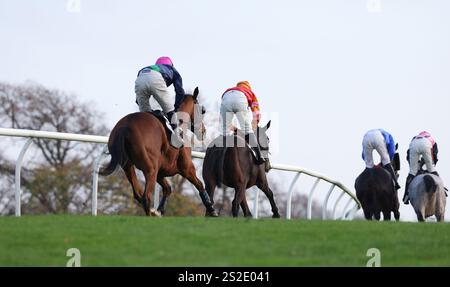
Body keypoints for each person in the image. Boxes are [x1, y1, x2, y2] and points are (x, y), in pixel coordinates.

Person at [220, 81, 265, 164]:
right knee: (247, 130)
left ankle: (220, 155)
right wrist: (256, 120)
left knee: (224, 130)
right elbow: (256, 109)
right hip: (240, 98)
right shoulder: (249, 92)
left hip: (226, 97)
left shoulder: (231, 89)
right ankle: (259, 156)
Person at [134, 56, 185, 123]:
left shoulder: (150, 67)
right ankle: (176, 132)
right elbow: (180, 92)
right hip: (156, 78)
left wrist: (140, 102)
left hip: (140, 77)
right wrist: (175, 108)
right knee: (170, 113)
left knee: (146, 115)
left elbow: (139, 94)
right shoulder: (172, 69)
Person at [403, 131, 439, 204]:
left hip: (414, 146)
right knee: (432, 170)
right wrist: (431, 167)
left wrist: (414, 168)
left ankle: (406, 196)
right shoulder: (432, 140)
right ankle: (442, 190)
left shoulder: (415, 138)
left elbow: (408, 156)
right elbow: (434, 157)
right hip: (426, 146)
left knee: (412, 173)